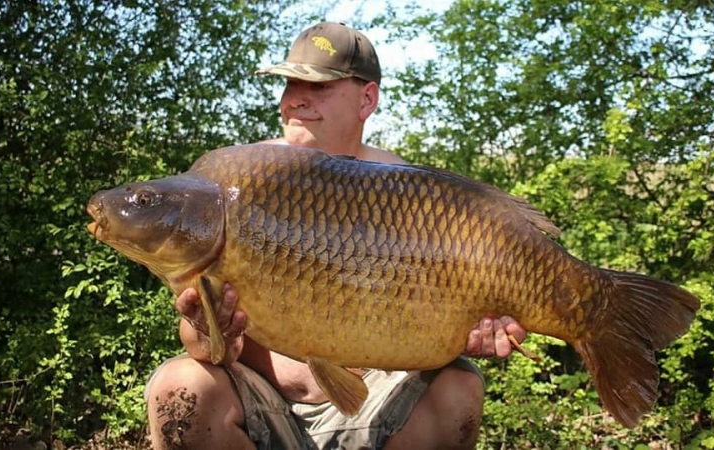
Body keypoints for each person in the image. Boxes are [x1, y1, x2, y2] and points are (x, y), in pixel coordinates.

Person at [145, 21, 528, 450]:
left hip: (374, 410)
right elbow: (205, 350)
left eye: (319, 86)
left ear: (367, 99)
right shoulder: (241, 179)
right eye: (290, 83)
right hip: (261, 406)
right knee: (179, 386)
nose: (296, 99)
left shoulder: (408, 193)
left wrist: (478, 329)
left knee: (459, 387)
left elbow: (447, 323)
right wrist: (210, 329)